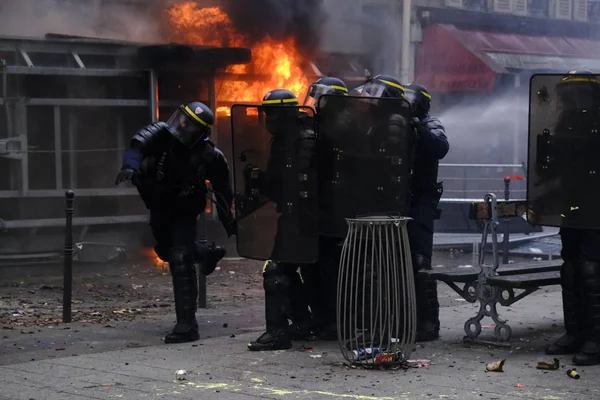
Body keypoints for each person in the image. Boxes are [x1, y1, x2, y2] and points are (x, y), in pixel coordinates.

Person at [115, 102, 236, 344]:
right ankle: (207, 253)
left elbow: (223, 189)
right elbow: (136, 146)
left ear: (200, 131)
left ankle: (187, 325)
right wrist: (129, 167)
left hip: (184, 209)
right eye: (182, 119)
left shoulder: (208, 154)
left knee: (180, 258)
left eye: (189, 124)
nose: (183, 125)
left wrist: (229, 222)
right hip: (159, 205)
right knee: (165, 251)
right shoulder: (160, 133)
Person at [248, 89, 317, 351]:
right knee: (285, 271)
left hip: (306, 218)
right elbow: (278, 185)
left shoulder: (306, 138)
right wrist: (258, 181)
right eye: (267, 112)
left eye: (274, 112)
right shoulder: (282, 140)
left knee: (276, 270)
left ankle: (278, 332)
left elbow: (302, 183)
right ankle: (302, 322)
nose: (269, 118)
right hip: (292, 215)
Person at [541, 70, 600, 365]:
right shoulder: (564, 123)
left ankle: (596, 337)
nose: (574, 100)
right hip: (573, 204)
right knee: (571, 268)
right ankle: (574, 332)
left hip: (597, 206)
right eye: (569, 94)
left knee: (592, 270)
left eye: (580, 94)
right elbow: (556, 165)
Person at [301, 76, 350, 340]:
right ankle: (320, 319)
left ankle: (332, 321)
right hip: (318, 212)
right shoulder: (318, 126)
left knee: (331, 272)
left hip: (335, 215)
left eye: (320, 99)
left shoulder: (345, 128)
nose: (315, 105)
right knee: (312, 267)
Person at [403, 82, 449, 342]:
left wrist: (418, 126)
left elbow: (441, 147)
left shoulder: (430, 123)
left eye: (411, 99)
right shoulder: (396, 124)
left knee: (420, 262)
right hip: (399, 200)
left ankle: (429, 324)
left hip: (421, 201)